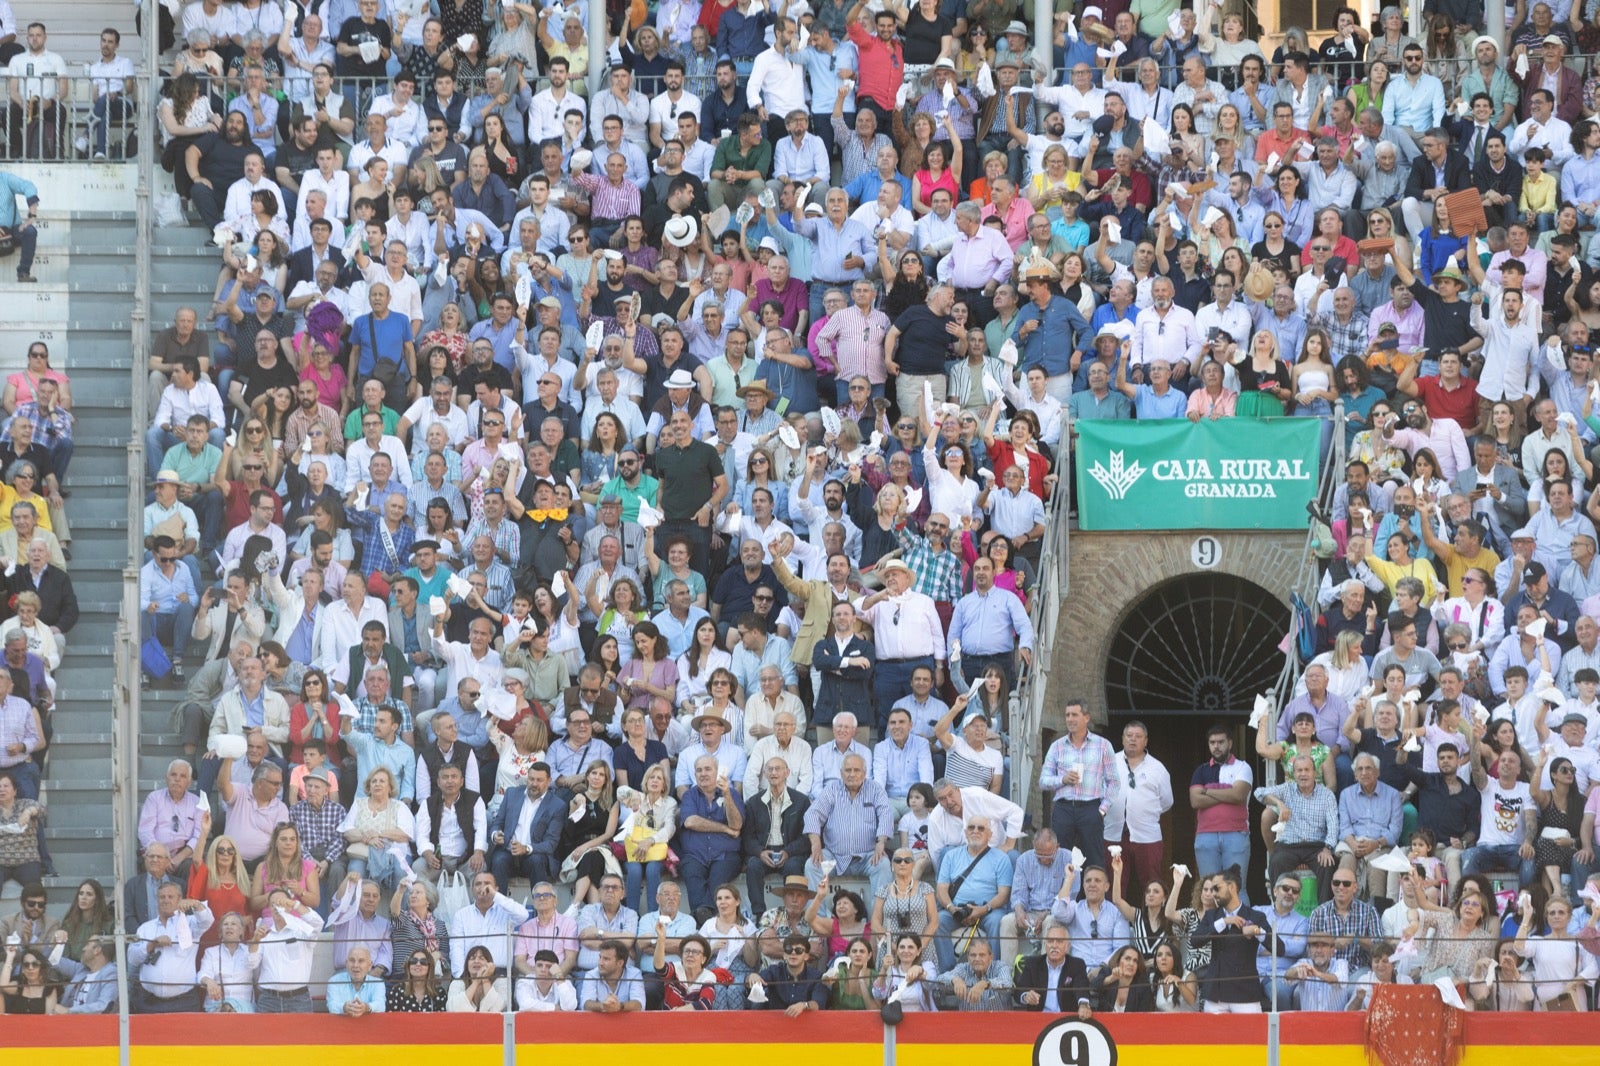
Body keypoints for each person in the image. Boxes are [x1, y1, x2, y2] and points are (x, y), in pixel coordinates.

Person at [1039, 699, 1119, 874]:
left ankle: (1096, 902)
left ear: (1086, 718)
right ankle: (1063, 900)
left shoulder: (1103, 745)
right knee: (1061, 859)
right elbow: (1043, 781)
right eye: (1067, 715)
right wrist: (1063, 779)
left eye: (1074, 714)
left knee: (1095, 859)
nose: (1070, 719)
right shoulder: (1057, 746)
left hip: (1091, 807)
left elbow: (1114, 782)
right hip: (1063, 808)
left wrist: (1102, 810)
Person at [933, 815, 1013, 974]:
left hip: (989, 910)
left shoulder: (1001, 858)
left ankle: (992, 974)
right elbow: (941, 888)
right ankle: (948, 976)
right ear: (965, 832)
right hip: (956, 909)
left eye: (981, 828)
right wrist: (951, 908)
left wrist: (983, 910)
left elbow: (1004, 894)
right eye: (971, 827)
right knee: (938, 921)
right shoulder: (951, 856)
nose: (975, 831)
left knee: (998, 921)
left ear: (990, 835)